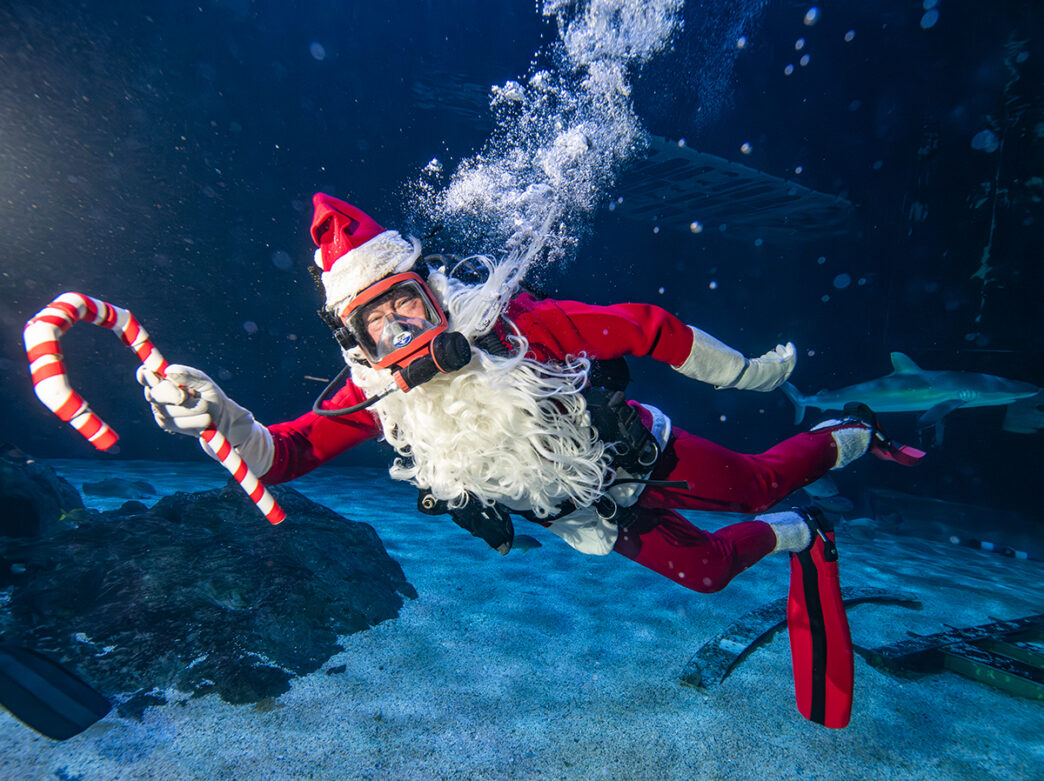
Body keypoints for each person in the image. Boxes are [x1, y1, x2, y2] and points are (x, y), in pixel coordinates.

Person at [138, 192, 913, 594]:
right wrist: (224, 416)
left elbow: (646, 327)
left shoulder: (517, 328)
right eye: (378, 323)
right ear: (354, 340)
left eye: (407, 300)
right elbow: (285, 454)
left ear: (432, 289)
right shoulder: (376, 394)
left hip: (636, 454)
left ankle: (852, 429)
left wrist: (746, 372)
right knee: (710, 572)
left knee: (756, 483)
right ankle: (800, 529)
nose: (402, 327)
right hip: (579, 513)